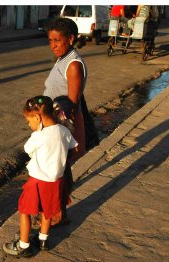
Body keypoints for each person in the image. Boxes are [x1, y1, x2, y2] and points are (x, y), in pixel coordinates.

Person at [2, 96, 79, 257]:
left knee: (24, 210)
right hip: (57, 181)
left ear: (37, 117)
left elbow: (28, 150)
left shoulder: (39, 136)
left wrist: (38, 134)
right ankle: (43, 240)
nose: (29, 125)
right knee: (47, 211)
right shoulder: (64, 130)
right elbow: (74, 147)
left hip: (38, 181)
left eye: (29, 121)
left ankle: (23, 245)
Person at [42, 17, 98, 226]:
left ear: (71, 39)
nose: (53, 45)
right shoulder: (64, 59)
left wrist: (60, 135)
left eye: (57, 40)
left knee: (60, 169)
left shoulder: (73, 64)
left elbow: (72, 106)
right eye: (50, 40)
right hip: (54, 124)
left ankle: (59, 213)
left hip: (63, 126)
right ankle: (58, 210)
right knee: (59, 169)